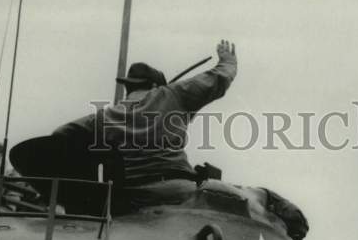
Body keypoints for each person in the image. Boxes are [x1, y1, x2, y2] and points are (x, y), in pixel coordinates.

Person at [55, 38, 237, 194]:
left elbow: (61, 133)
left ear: (129, 87)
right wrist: (227, 61)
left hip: (129, 196)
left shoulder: (104, 117)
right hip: (177, 190)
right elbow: (220, 77)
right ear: (153, 86)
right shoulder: (170, 94)